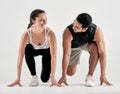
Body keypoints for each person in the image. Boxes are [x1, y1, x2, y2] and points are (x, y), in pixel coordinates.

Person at [8, 9, 61, 87]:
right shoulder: (26, 34)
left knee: (44, 79)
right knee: (27, 48)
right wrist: (18, 78)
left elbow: (54, 57)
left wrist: (53, 77)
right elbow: (20, 57)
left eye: (45, 19)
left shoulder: (50, 33)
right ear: (33, 20)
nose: (44, 22)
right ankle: (34, 76)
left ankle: (49, 76)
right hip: (32, 51)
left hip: (46, 52)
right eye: (41, 20)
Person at [58, 13, 112, 87]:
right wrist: (63, 75)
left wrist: (103, 75)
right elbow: (66, 54)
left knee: (95, 48)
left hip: (87, 44)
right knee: (71, 72)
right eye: (74, 23)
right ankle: (65, 76)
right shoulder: (68, 32)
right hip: (74, 46)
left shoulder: (97, 31)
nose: (73, 27)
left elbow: (102, 53)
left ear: (85, 29)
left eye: (77, 27)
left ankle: (89, 76)